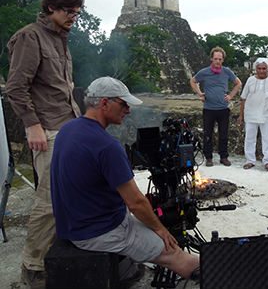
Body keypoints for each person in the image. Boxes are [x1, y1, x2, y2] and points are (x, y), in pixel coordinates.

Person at [50, 77, 199, 280]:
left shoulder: (68, 129)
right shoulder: (107, 146)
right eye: (124, 104)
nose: (128, 110)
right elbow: (136, 203)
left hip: (74, 223)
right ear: (104, 103)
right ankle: (228, 272)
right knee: (173, 251)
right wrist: (161, 230)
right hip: (99, 231)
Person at [5, 0, 83, 288]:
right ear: (51, 7)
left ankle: (60, 252)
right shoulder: (30, 36)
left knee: (70, 193)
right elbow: (15, 88)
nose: (73, 17)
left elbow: (61, 88)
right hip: (47, 130)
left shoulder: (61, 39)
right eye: (68, 11)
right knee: (49, 199)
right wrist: (32, 125)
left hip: (69, 126)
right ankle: (34, 267)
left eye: (77, 13)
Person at [190, 47, 242, 167]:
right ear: (211, 59)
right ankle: (208, 157)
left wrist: (230, 96)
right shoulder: (205, 72)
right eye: (215, 59)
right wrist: (200, 93)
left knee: (223, 134)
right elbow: (193, 81)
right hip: (209, 108)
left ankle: (223, 157)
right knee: (208, 134)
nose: (217, 61)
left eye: (220, 59)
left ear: (223, 60)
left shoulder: (227, 71)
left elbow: (238, 83)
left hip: (223, 109)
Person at [237, 57, 268, 171]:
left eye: (264, 68)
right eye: (259, 68)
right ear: (256, 69)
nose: (262, 71)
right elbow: (243, 98)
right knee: (249, 138)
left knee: (267, 139)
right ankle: (250, 160)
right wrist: (241, 115)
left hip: (267, 114)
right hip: (250, 114)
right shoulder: (250, 80)